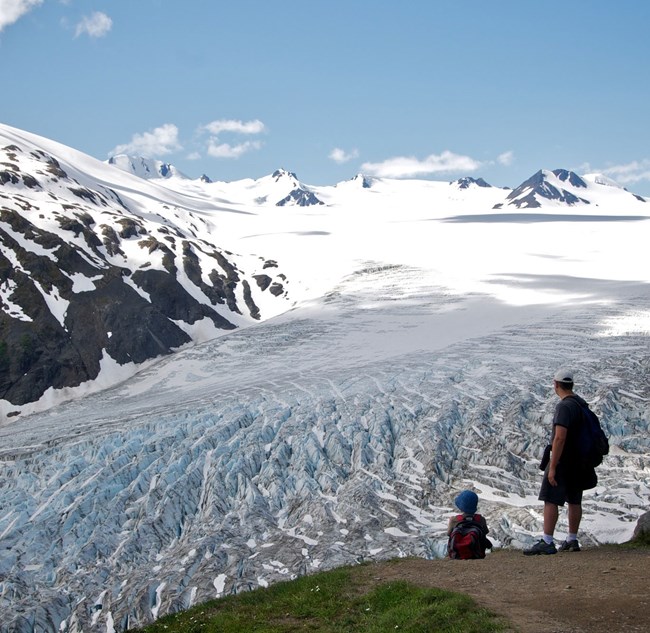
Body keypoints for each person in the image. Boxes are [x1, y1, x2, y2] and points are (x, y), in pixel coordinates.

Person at [523, 368, 596, 555]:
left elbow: (560, 438)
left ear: (556, 384)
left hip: (564, 460)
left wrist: (553, 466)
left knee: (550, 498)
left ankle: (547, 541)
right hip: (580, 461)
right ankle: (572, 539)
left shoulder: (564, 406)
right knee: (574, 499)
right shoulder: (581, 405)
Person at [447, 490, 492, 558]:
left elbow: (448, 534)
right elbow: (485, 533)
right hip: (477, 555)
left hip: (457, 555)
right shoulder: (481, 519)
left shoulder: (454, 520)